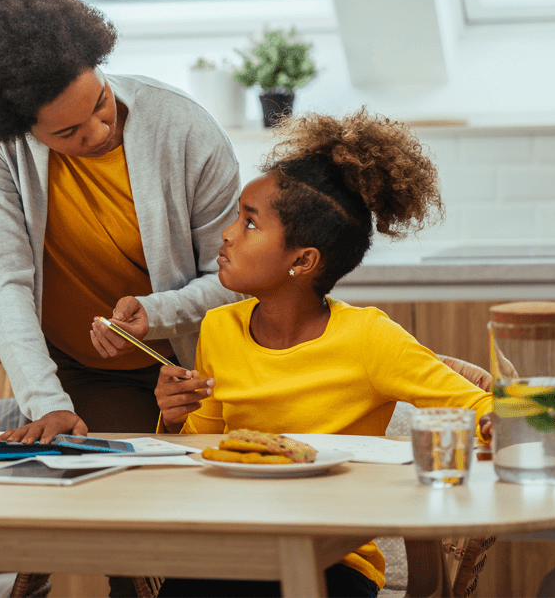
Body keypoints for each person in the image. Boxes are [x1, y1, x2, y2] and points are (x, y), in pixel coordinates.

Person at [116, 109, 494, 598]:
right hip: (232, 546)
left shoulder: (369, 338)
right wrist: (172, 419)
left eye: (250, 223)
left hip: (336, 560)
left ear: (303, 261)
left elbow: (485, 408)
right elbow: (200, 452)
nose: (227, 234)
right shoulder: (219, 328)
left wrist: (495, 423)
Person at [0, 0, 240, 442]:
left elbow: (234, 282)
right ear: (21, 131)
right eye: (68, 132)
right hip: (83, 370)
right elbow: (5, 279)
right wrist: (46, 404)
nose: (101, 129)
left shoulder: (183, 128)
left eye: (101, 101)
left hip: (191, 365)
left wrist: (156, 312)